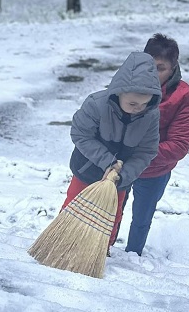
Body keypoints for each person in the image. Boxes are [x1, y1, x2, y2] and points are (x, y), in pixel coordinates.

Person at [63, 51, 163, 249]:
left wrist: (123, 175)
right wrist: (108, 162)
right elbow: (80, 134)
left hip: (119, 182)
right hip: (87, 171)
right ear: (118, 92)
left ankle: (99, 250)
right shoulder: (96, 105)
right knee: (73, 210)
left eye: (144, 104)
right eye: (133, 103)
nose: (138, 108)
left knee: (110, 218)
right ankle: (63, 244)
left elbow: (146, 152)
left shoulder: (150, 116)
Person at [125, 34, 189, 256]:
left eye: (160, 68)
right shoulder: (127, 82)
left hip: (154, 171)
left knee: (141, 219)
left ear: (173, 68)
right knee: (110, 210)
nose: (152, 73)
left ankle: (132, 256)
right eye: (148, 65)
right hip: (122, 166)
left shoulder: (182, 95)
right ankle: (103, 250)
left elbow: (179, 144)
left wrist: (141, 154)